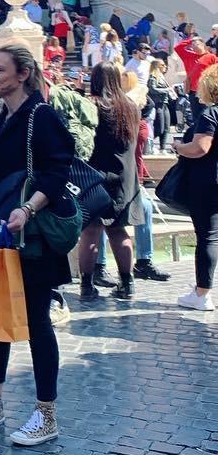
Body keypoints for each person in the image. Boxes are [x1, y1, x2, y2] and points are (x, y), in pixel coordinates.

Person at [0, 45, 74, 445]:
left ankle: (46, 413)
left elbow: (58, 171)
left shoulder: (41, 115)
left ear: (23, 74)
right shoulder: (4, 117)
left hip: (31, 235)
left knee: (37, 320)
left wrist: (28, 208)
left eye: (1, 70)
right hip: (0, 233)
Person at [78, 62, 142, 302]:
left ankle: (86, 285)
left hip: (96, 175)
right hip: (124, 175)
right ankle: (127, 284)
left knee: (90, 231)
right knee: (118, 229)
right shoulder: (131, 107)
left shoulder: (93, 106)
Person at [171, 63, 218, 311]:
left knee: (207, 236)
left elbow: (200, 148)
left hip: (208, 181)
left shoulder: (211, 114)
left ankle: (202, 293)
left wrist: (179, 147)